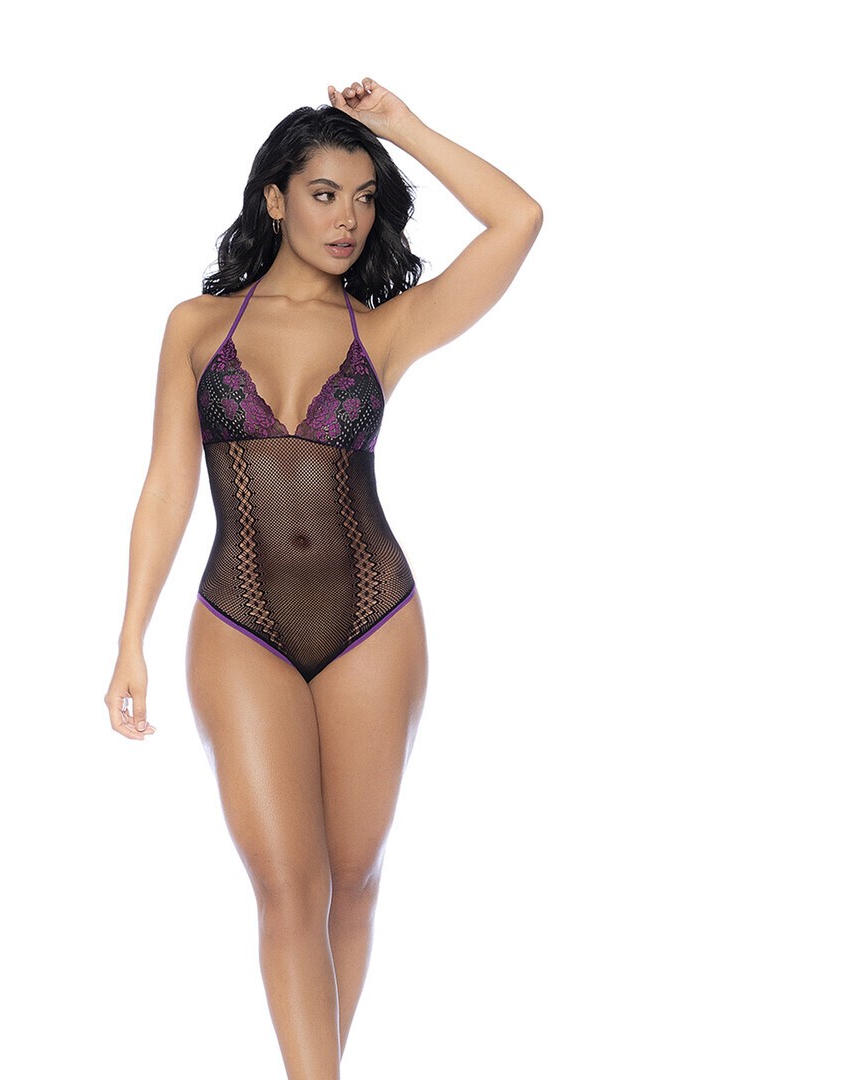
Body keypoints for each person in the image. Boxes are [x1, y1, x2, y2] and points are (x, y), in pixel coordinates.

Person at [105, 77, 542, 1079]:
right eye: (324, 194)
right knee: (287, 888)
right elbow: (169, 484)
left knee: (354, 878)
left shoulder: (386, 329)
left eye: (364, 197)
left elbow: (519, 220)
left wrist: (404, 128)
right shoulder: (195, 326)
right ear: (275, 199)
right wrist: (130, 635)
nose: (348, 219)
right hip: (239, 621)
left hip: (374, 621)